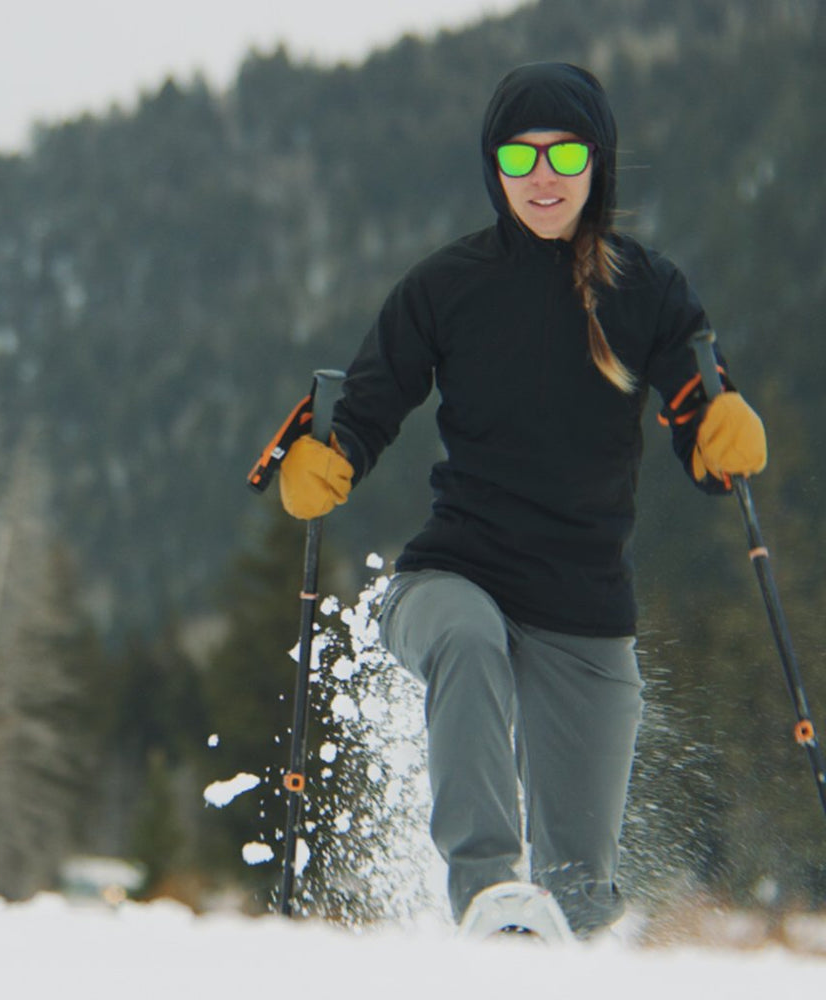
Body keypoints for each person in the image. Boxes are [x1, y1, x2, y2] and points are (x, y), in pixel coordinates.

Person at [276, 62, 767, 938]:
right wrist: (331, 455)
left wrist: (719, 439)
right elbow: (369, 402)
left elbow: (698, 412)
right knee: (468, 639)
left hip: (583, 607)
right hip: (452, 577)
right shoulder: (446, 287)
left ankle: (550, 943)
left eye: (565, 152)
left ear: (598, 162)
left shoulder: (648, 291)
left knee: (580, 900)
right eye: (520, 153)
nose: (543, 175)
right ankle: (487, 891)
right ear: (493, 166)